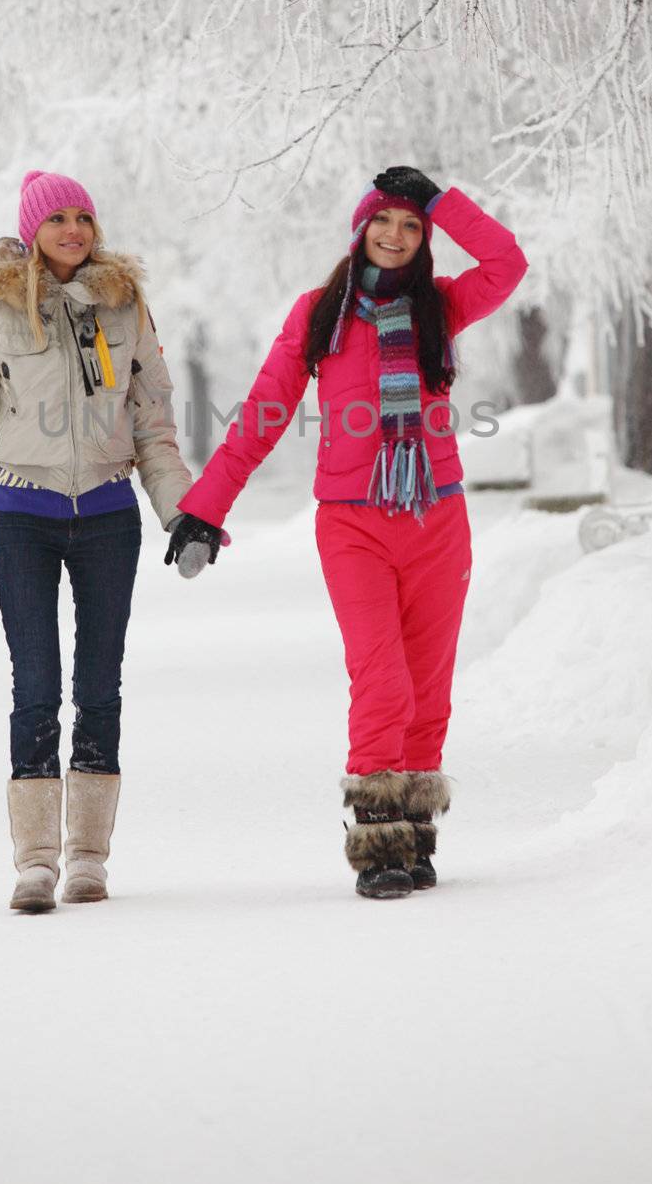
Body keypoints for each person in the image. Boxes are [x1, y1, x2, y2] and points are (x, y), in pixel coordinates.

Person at [165, 166, 529, 899]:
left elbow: (506, 263)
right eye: (383, 222)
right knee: (382, 677)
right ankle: (376, 842)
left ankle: (415, 838)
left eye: (410, 226)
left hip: (437, 518)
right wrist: (205, 508)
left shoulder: (442, 306)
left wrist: (440, 199)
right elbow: (264, 412)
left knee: (428, 685)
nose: (394, 237)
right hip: (352, 523)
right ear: (359, 230)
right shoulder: (319, 314)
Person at [0, 170, 196, 912]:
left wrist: (181, 515)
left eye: (83, 217)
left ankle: (87, 859)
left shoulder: (125, 307)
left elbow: (153, 425)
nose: (74, 229)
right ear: (31, 230)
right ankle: (35, 862)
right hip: (21, 518)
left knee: (99, 689)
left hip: (107, 516)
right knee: (35, 687)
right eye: (57, 218)